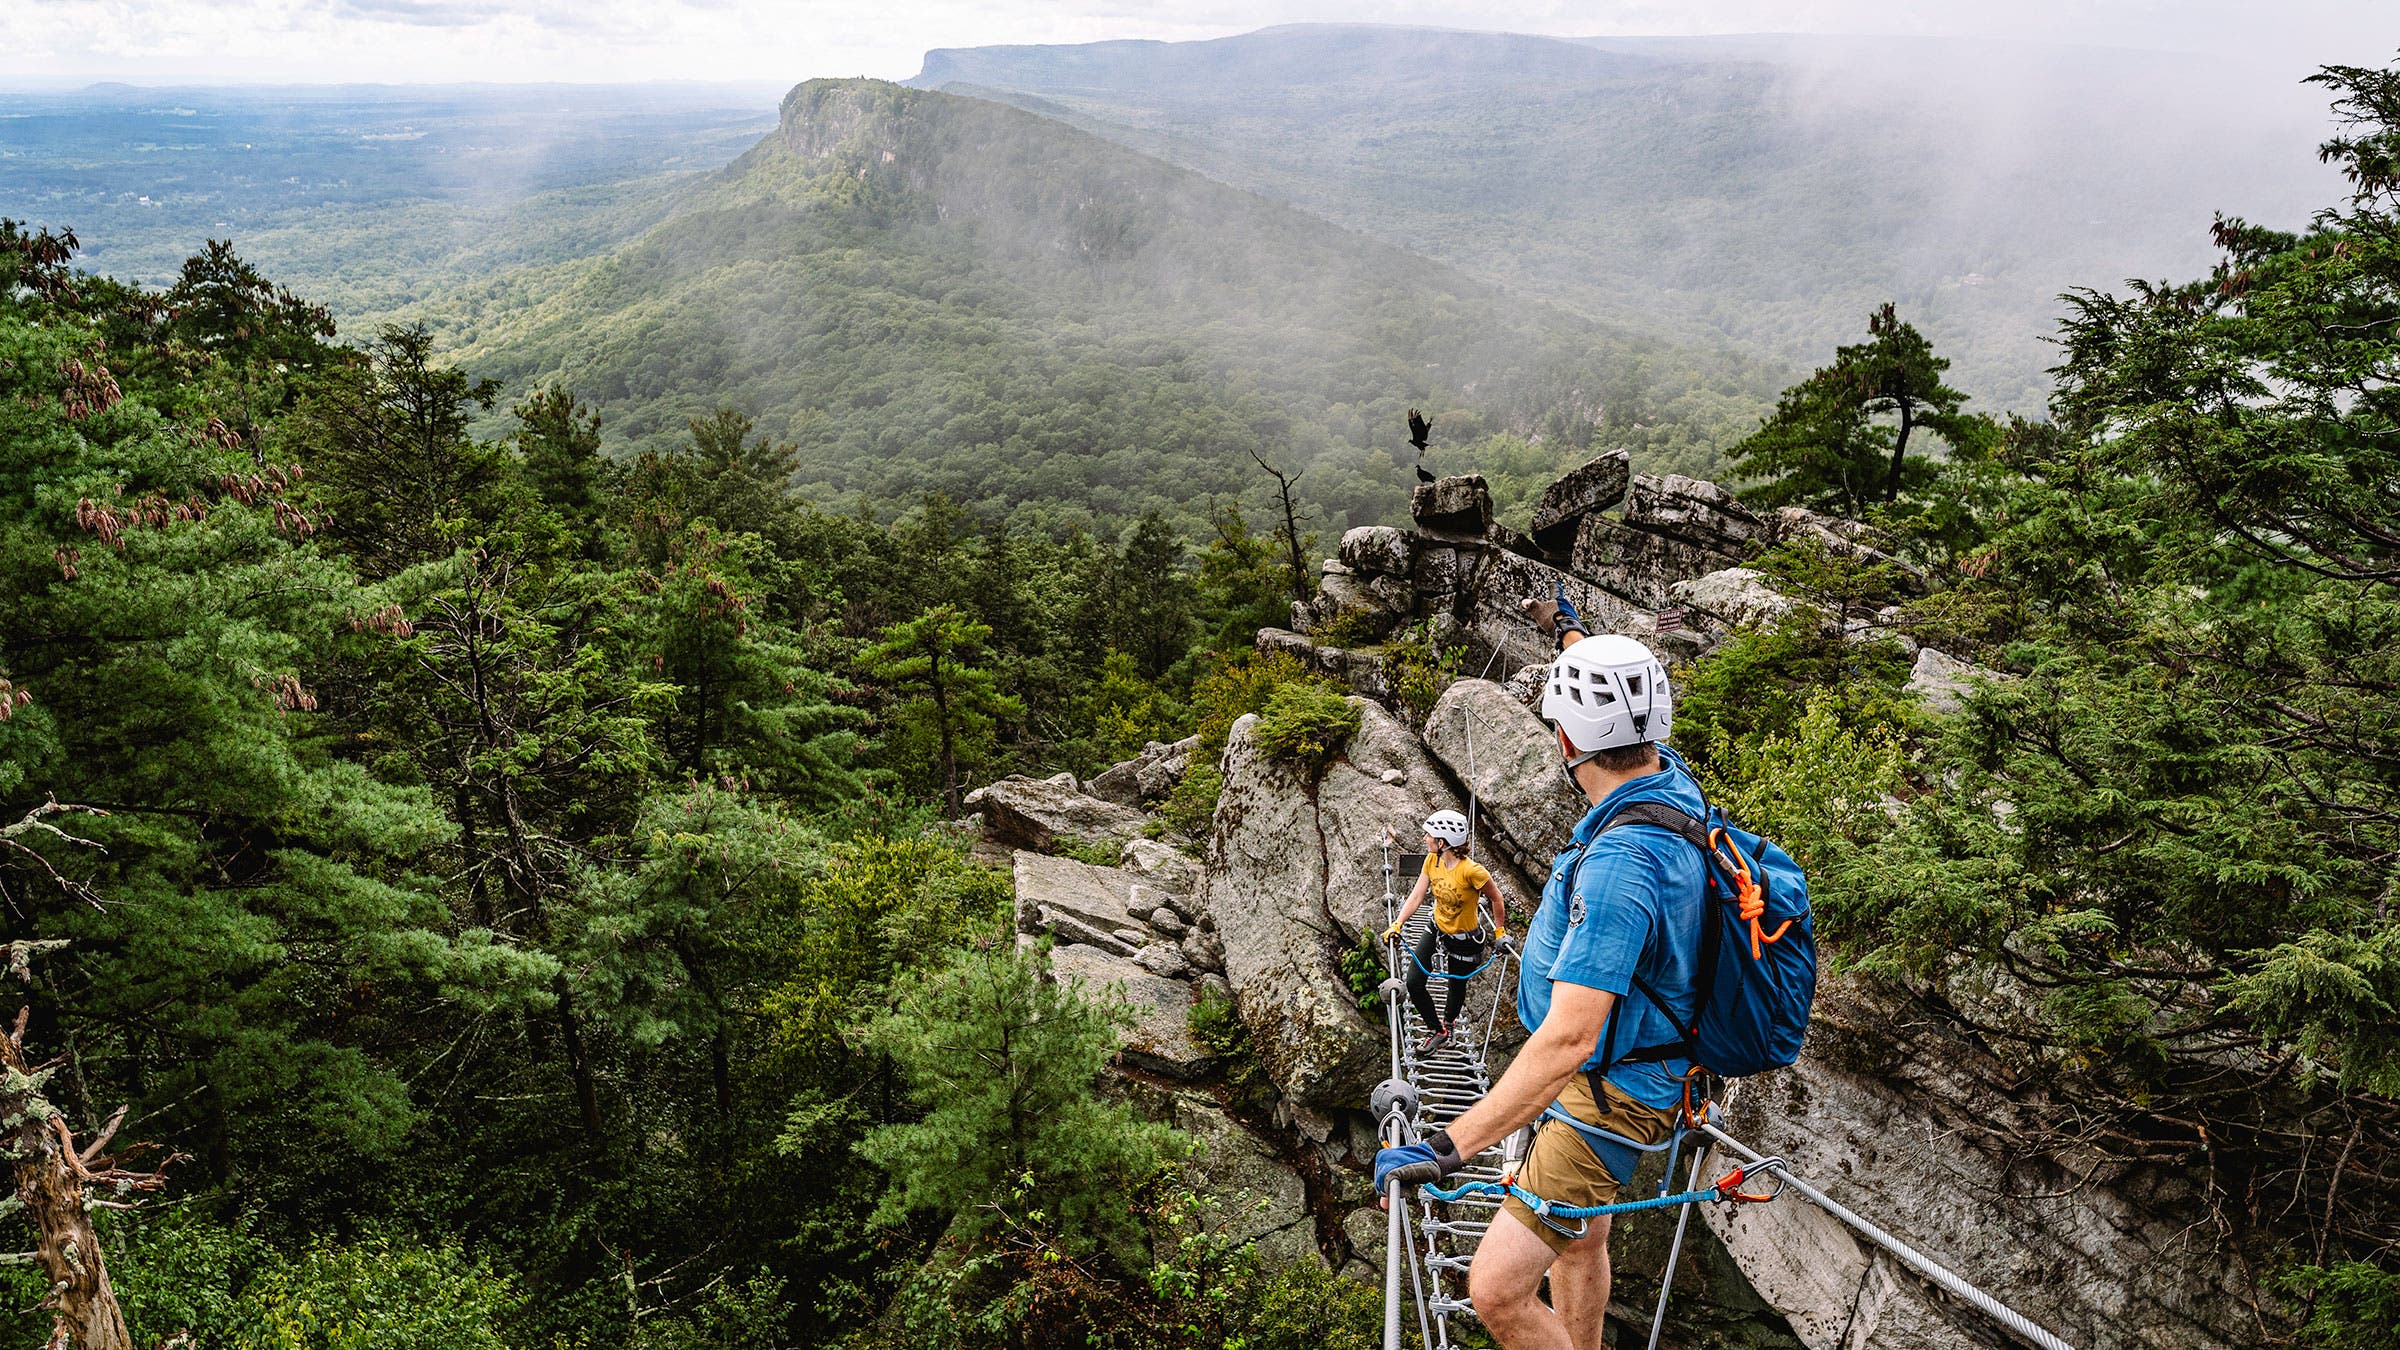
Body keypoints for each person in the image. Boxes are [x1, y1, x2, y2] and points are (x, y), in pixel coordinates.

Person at [1374, 596, 1704, 1350]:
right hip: (1628, 1073)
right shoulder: (1667, 783)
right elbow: (1619, 713)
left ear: (1563, 738)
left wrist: (1446, 1146)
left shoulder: (1623, 864)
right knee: (1581, 1240)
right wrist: (1572, 636)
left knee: (1495, 1290)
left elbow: (1568, 1041)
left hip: (1601, 1097)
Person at [1381, 810, 1510, 1051]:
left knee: (1456, 985)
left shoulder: (1473, 871)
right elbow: (1418, 895)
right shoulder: (1432, 860)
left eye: (1429, 835)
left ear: (1443, 842)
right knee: (1414, 982)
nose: (1424, 839)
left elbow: (1496, 898)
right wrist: (1397, 923)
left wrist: (1499, 932)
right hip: (1436, 927)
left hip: (1465, 940)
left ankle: (1448, 1024)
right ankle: (1437, 1030)